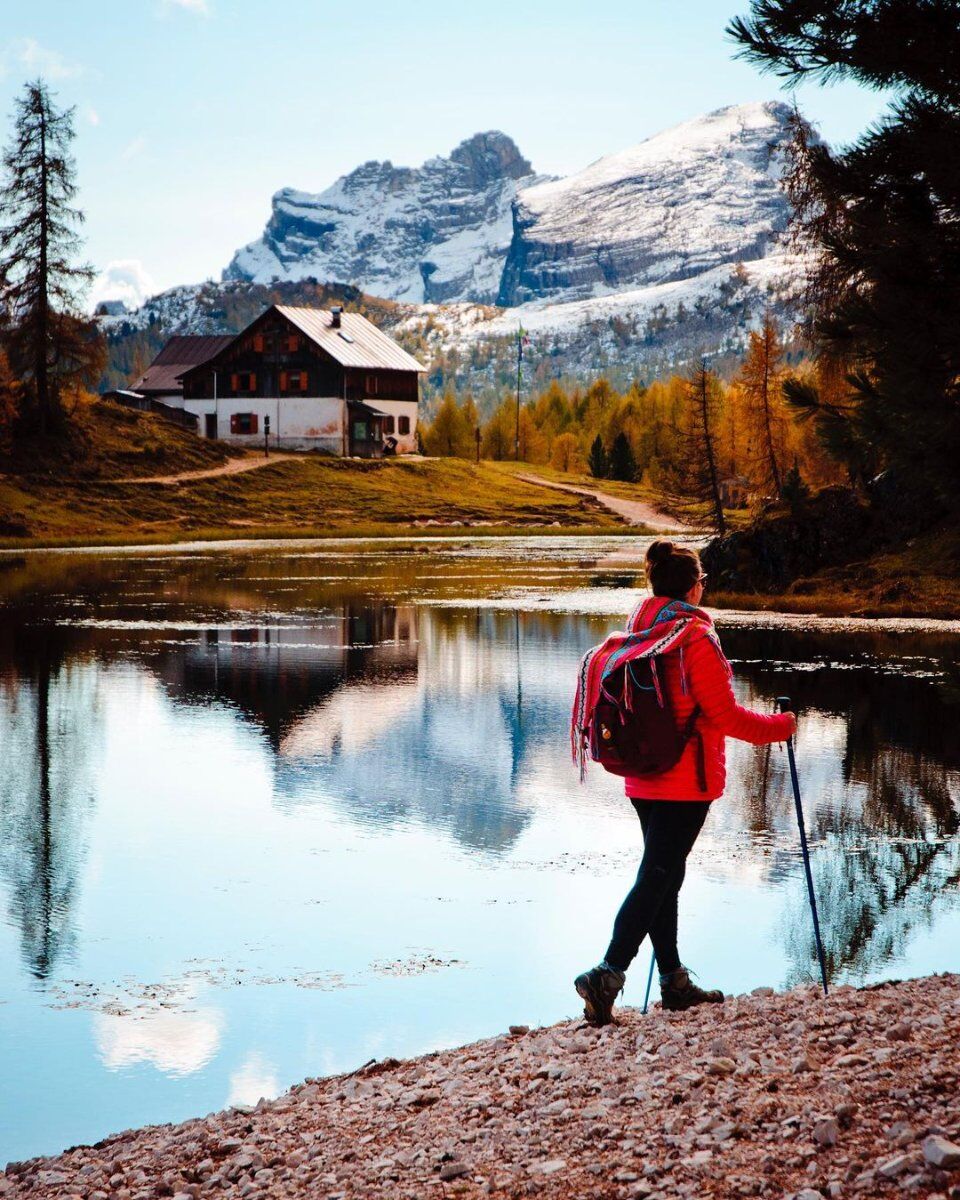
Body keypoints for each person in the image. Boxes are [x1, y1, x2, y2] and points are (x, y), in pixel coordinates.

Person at [574, 538, 796, 1025]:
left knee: (663, 876)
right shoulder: (695, 639)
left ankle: (673, 983)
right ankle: (606, 974)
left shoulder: (636, 634)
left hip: (641, 778)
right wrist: (781, 727)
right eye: (702, 582)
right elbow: (725, 716)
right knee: (658, 876)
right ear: (694, 588)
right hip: (685, 782)